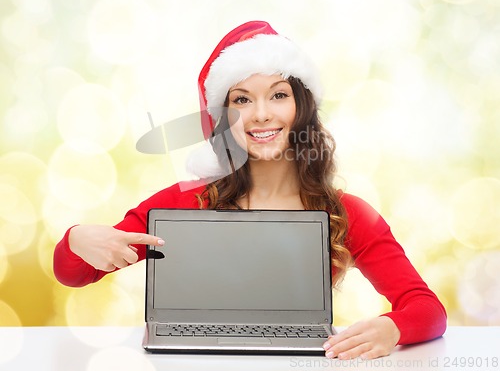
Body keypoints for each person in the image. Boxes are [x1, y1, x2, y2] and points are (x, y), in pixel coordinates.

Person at [53, 20, 447, 360]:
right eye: (242, 100)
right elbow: (74, 273)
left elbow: (427, 308)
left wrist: (393, 328)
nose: (261, 114)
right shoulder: (185, 202)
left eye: (278, 94)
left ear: (301, 108)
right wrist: (75, 241)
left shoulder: (347, 215)